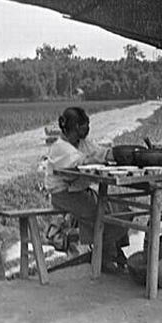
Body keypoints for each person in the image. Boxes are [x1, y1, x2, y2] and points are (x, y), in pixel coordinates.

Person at [44, 107, 129, 273]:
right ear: (76, 127)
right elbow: (83, 162)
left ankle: (113, 251)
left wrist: (116, 154)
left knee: (120, 210)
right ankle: (105, 257)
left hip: (80, 191)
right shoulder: (60, 147)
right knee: (102, 217)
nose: (87, 129)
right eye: (85, 125)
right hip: (63, 194)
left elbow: (98, 152)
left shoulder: (82, 143)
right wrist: (103, 157)